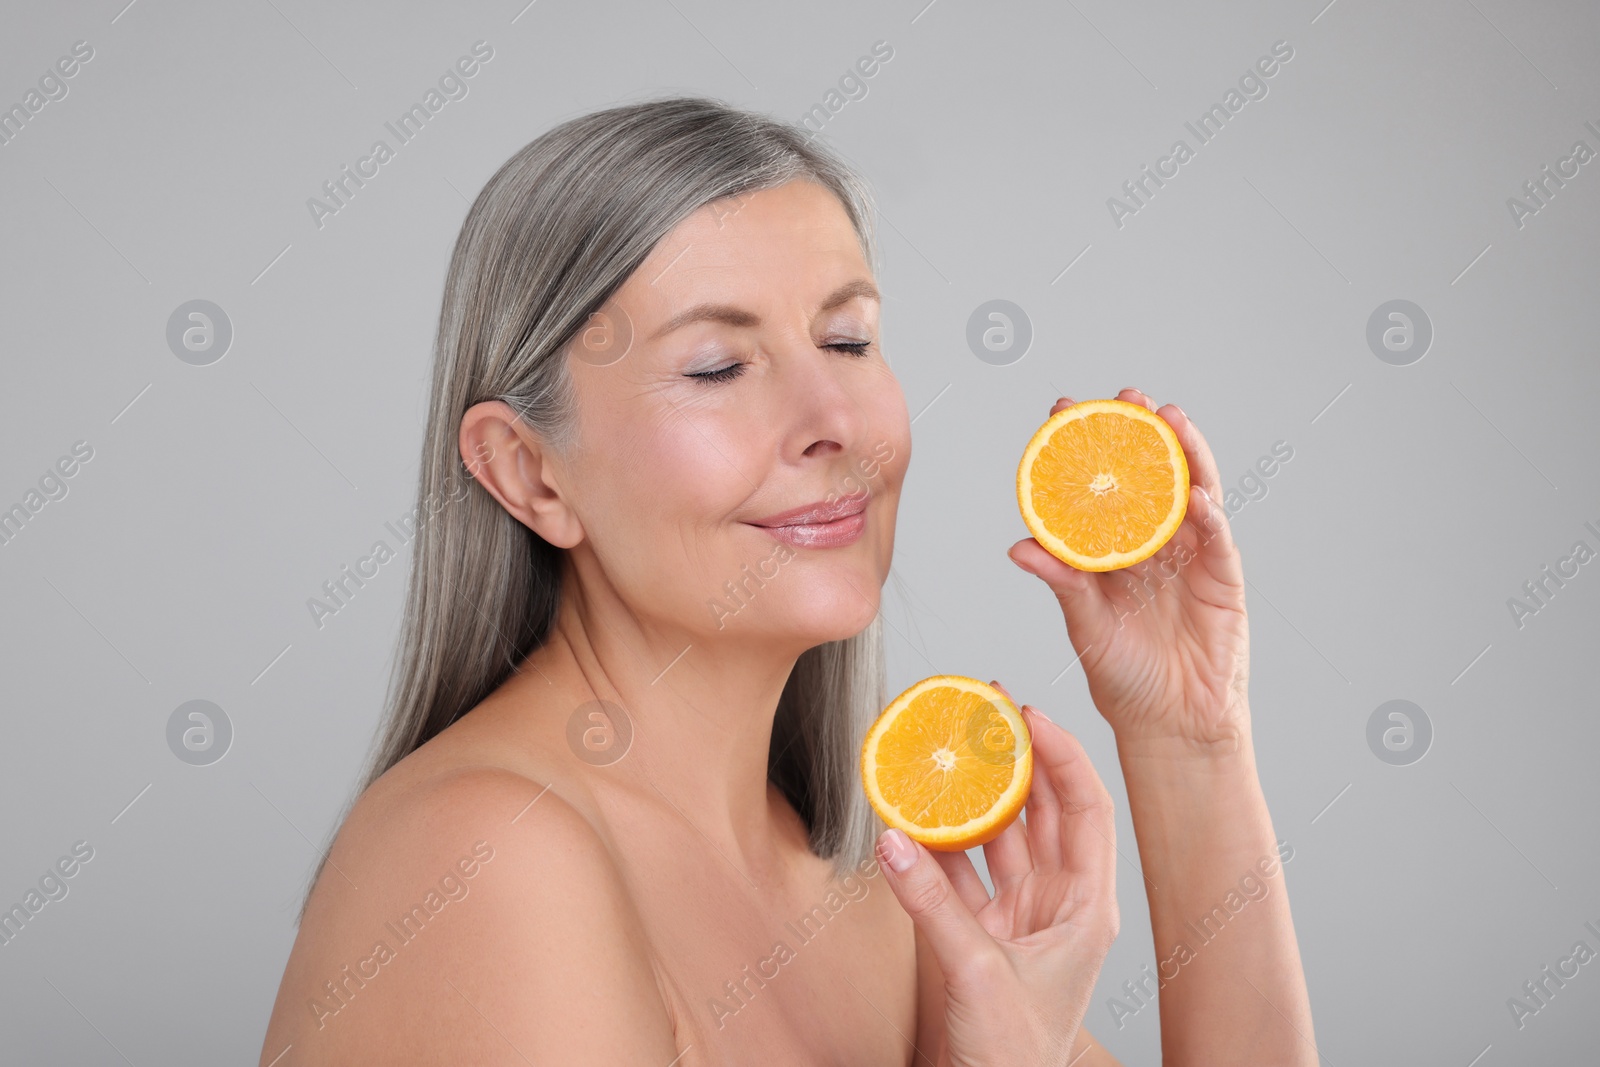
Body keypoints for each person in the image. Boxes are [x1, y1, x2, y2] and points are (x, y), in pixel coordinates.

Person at [259, 95, 1315, 1066]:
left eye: (847, 339)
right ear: (530, 472)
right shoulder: (488, 859)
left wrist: (1190, 740)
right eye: (718, 365)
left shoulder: (878, 905)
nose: (834, 424)